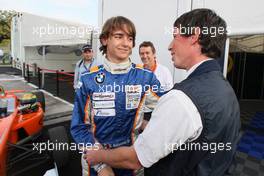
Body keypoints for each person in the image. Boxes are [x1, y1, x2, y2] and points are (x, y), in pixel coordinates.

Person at [83, 8, 241, 176]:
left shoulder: (178, 97)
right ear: (105, 40)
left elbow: (136, 157)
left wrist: (98, 158)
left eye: (175, 36)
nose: (170, 46)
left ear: (194, 36)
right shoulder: (226, 89)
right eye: (118, 37)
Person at [71, 16, 164, 176]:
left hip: (131, 163)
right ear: (105, 39)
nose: (126, 43)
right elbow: (78, 126)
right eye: (119, 37)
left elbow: (168, 107)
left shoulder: (145, 77)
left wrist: (149, 126)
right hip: (96, 163)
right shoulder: (88, 79)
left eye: (130, 38)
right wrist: (100, 166)